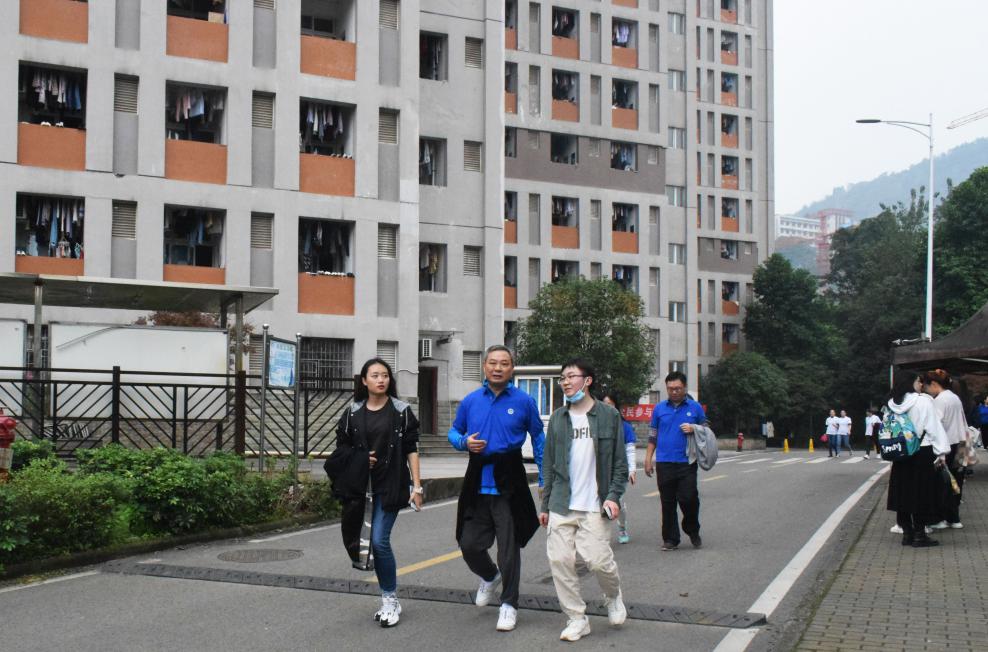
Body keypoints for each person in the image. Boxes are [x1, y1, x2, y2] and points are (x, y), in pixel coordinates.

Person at [447, 345, 544, 632]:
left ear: (512, 368)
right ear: (485, 366)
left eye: (504, 363)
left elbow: (538, 437)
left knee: (508, 550)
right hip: (477, 478)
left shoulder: (524, 401)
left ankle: (509, 604)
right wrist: (464, 442)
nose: (498, 368)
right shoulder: (471, 400)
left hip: (509, 478)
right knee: (468, 544)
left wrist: (545, 478)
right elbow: (454, 431)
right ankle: (490, 576)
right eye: (492, 363)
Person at [326, 358, 422, 627]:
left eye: (385, 375)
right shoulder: (352, 412)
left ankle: (390, 599)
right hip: (362, 489)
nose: (381, 380)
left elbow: (411, 449)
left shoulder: (401, 411)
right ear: (364, 381)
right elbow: (341, 449)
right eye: (375, 375)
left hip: (391, 485)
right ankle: (388, 597)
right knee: (364, 545)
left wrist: (417, 486)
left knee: (379, 541)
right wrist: (359, 459)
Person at [540, 360, 628, 642]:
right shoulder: (558, 418)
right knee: (560, 561)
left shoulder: (608, 415)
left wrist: (613, 496)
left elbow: (619, 463)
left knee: (598, 562)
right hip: (561, 503)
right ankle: (576, 618)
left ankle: (613, 595)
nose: (565, 382)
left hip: (594, 504)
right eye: (562, 378)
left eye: (571, 376)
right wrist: (545, 505)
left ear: (587, 381)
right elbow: (549, 464)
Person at [885, 370, 950, 547]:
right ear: (910, 382)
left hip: (901, 452)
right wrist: (941, 451)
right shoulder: (923, 401)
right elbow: (934, 427)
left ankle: (907, 533)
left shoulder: (892, 402)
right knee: (921, 493)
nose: (921, 384)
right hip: (922, 451)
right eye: (918, 381)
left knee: (903, 492)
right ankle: (920, 534)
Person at [644, 371, 706, 551]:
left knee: (689, 498)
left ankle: (692, 529)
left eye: (677, 388)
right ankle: (671, 539)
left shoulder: (695, 407)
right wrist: (648, 458)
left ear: (684, 387)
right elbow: (653, 435)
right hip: (664, 462)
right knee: (668, 502)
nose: (674, 392)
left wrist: (694, 428)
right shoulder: (659, 409)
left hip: (687, 462)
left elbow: (706, 429)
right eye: (670, 388)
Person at [923, 369, 968, 530]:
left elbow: (936, 425)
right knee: (956, 482)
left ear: (934, 384)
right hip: (960, 443)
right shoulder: (955, 397)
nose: (926, 389)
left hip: (946, 445)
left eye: (927, 386)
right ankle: (954, 518)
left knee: (943, 483)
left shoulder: (940, 400)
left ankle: (941, 518)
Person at [602, 394, 637, 544]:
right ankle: (601, 533)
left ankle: (622, 527)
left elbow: (630, 449)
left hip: (619, 471)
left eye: (610, 404)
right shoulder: (595, 424)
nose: (607, 407)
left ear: (616, 406)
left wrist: (632, 469)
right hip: (601, 471)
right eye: (604, 404)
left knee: (618, 501)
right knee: (600, 502)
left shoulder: (625, 426)